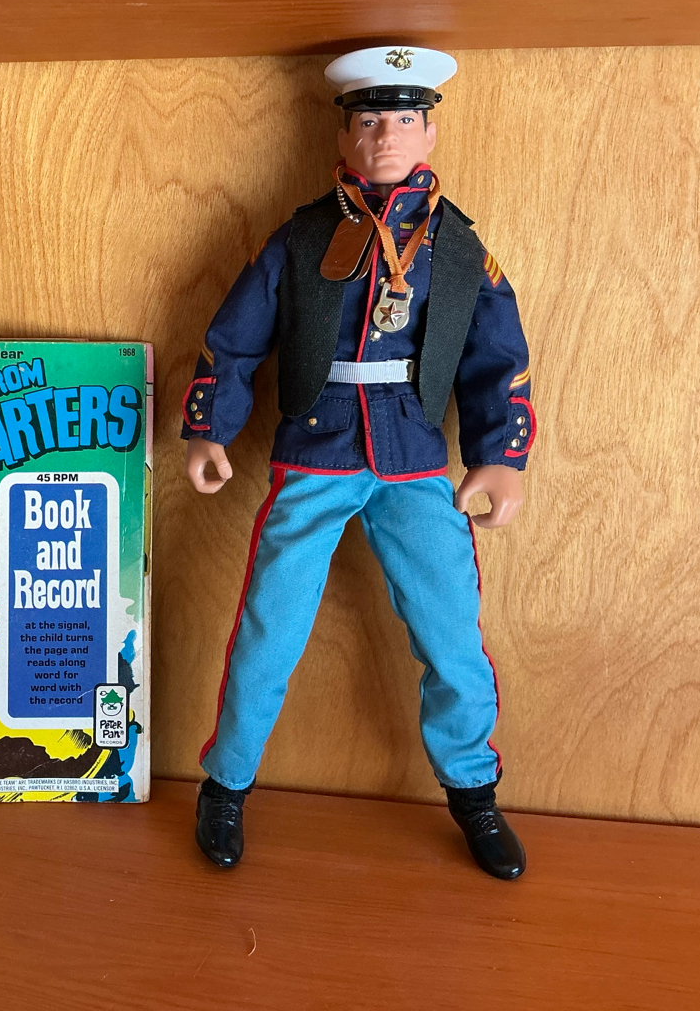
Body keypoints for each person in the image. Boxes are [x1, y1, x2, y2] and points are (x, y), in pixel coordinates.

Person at [185, 46, 534, 880]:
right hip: (316, 447)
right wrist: (210, 428)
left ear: (430, 131)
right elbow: (236, 338)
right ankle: (225, 786)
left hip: (413, 455)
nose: (386, 137)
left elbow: (498, 355)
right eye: (370, 120)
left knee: (451, 633)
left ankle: (475, 792)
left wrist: (501, 454)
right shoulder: (302, 235)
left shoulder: (458, 247)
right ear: (344, 134)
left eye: (404, 119)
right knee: (269, 630)